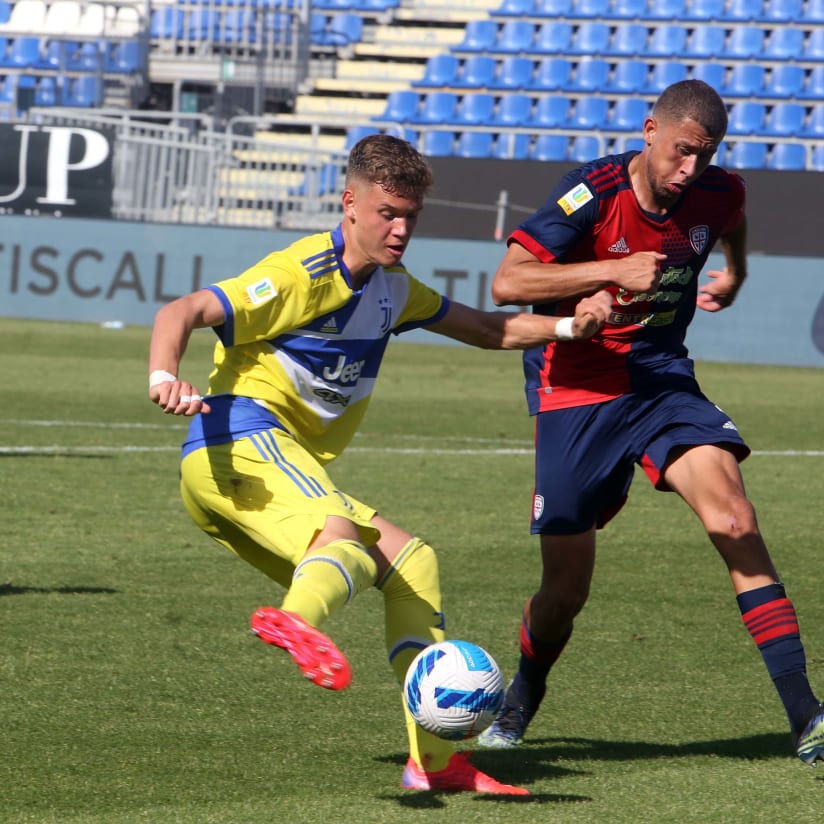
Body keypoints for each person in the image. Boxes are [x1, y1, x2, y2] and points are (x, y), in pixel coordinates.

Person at [148, 134, 611, 795]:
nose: (400, 229)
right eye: (387, 213)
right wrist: (164, 374)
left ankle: (435, 763)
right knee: (342, 537)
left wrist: (569, 328)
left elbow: (489, 329)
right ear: (350, 203)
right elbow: (184, 309)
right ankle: (297, 620)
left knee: (412, 565)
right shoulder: (301, 273)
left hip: (272, 464)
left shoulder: (395, 289)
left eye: (410, 216)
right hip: (238, 444)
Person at [478, 80, 824, 767]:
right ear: (649, 132)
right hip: (576, 389)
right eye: (681, 152)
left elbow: (732, 215)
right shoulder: (592, 192)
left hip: (661, 380)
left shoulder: (718, 191)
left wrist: (736, 272)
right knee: (564, 592)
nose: (690, 169)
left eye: (705, 155)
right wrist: (609, 272)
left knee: (735, 519)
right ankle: (522, 695)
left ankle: (807, 717)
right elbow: (508, 282)